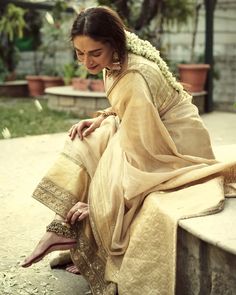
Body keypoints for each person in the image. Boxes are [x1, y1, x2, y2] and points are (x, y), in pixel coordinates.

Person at [21, 6, 236, 295]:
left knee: (109, 166)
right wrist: (103, 116)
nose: (87, 61)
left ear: (114, 43)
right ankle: (65, 231)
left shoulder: (133, 74)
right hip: (147, 124)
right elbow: (133, 108)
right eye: (79, 53)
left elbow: (143, 145)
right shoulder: (118, 58)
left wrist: (98, 204)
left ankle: (73, 234)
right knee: (88, 137)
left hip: (175, 140)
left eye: (94, 53)